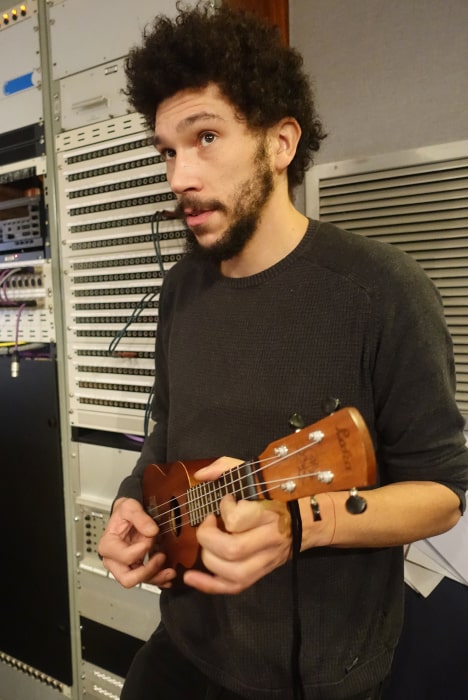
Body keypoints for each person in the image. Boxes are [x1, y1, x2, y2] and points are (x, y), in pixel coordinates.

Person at [98, 3, 468, 699]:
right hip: (185, 647)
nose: (179, 175)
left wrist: (301, 524)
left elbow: (444, 497)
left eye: (205, 136)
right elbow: (166, 436)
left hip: (318, 679)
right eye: (168, 150)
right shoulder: (180, 289)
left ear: (280, 142)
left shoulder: (384, 292)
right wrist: (131, 503)